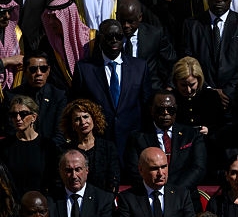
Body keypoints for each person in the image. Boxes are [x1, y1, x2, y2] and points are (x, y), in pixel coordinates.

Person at [70, 18, 148, 156]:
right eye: (109, 37)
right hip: (99, 142)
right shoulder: (85, 69)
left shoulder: (139, 67)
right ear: (100, 39)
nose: (114, 40)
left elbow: (146, 103)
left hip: (132, 143)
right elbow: (76, 105)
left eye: (118, 36)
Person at [123, 92, 206, 192]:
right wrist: (156, 189)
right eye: (160, 110)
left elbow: (198, 168)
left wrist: (174, 192)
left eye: (171, 110)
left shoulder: (192, 134)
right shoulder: (137, 137)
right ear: (151, 110)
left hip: (185, 196)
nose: (166, 113)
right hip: (150, 196)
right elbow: (134, 170)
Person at [0, 95, 58, 197]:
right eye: (14, 115)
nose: (18, 118)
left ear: (34, 117)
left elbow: (54, 181)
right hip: (14, 206)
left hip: (40, 204)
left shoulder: (48, 146)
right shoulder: (4, 146)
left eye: (23, 114)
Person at [59, 98, 120, 192]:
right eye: (77, 119)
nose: (83, 122)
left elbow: (114, 179)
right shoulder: (65, 150)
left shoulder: (108, 147)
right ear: (72, 125)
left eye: (86, 117)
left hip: (103, 200)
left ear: (93, 118)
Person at [169, 57, 224, 138]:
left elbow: (221, 125)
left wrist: (209, 130)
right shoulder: (171, 98)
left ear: (199, 80)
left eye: (192, 84)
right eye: (183, 85)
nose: (188, 90)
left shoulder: (211, 96)